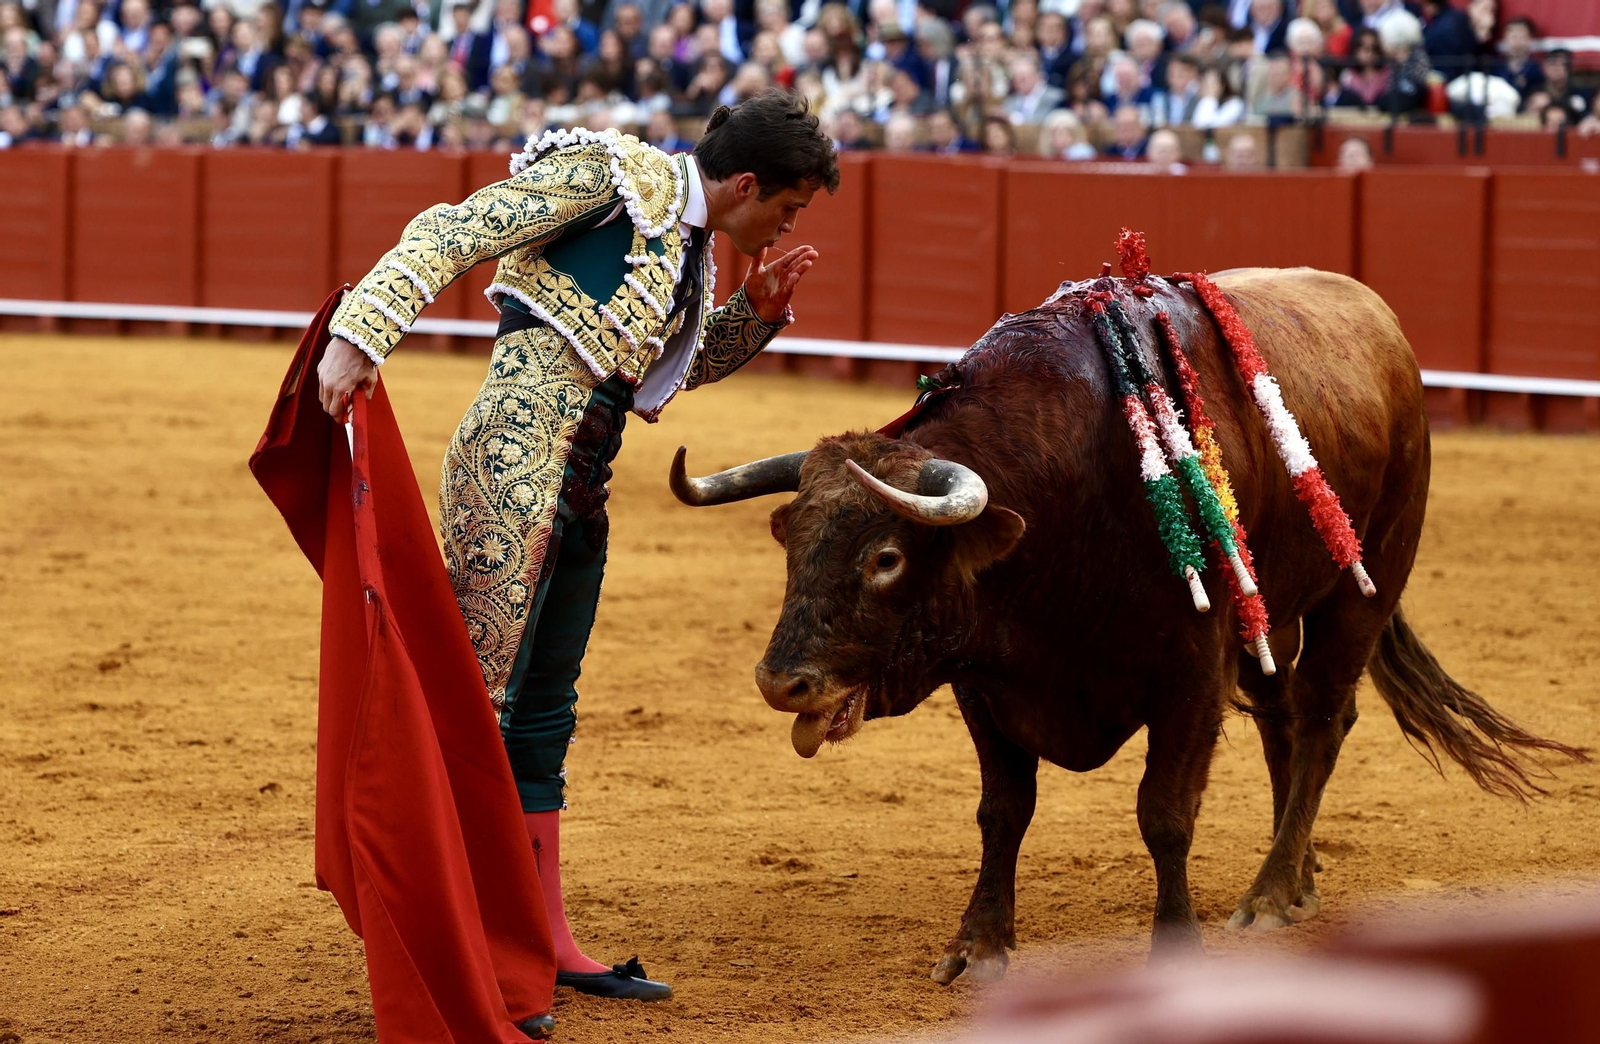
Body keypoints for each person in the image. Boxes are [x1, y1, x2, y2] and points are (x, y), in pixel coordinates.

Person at [315, 89, 838, 1005]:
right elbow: (456, 229)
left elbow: (650, 364)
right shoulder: (607, 176)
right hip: (511, 474)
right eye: (786, 209)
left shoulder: (688, 248)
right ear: (747, 183)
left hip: (582, 486)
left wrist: (750, 319)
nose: (785, 224)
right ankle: (457, 950)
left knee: (545, 709)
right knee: (476, 712)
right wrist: (363, 331)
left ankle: (539, 936)